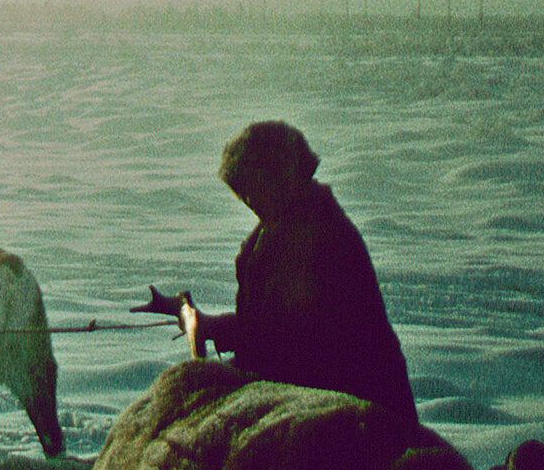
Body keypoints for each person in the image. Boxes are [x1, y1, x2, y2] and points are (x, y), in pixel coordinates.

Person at [147, 119, 413, 418]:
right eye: (240, 190)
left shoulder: (317, 236)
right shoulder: (276, 231)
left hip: (347, 404)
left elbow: (299, 345)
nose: (246, 199)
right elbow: (275, 328)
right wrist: (214, 327)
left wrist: (223, 359)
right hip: (307, 396)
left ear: (280, 177)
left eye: (250, 187)